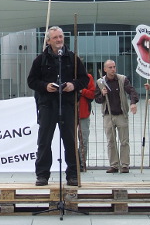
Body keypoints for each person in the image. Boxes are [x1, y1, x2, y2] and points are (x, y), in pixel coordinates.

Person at [27, 26, 89, 186]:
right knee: (44, 141)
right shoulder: (40, 60)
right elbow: (31, 81)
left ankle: (73, 174)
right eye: (55, 37)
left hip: (67, 105)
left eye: (61, 37)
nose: (59, 40)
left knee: (70, 140)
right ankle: (42, 175)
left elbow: (84, 79)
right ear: (48, 40)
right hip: (47, 105)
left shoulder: (72, 58)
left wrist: (73, 85)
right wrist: (45, 86)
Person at [95, 60, 139, 173]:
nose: (113, 69)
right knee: (111, 141)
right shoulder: (100, 82)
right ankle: (114, 165)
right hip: (108, 115)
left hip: (121, 114)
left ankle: (125, 165)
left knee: (124, 141)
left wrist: (133, 102)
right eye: (110, 67)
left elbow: (132, 91)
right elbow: (97, 100)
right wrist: (102, 95)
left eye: (114, 67)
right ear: (105, 69)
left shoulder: (122, 79)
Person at [78, 72, 95, 169]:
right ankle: (73, 162)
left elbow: (92, 94)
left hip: (84, 113)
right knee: (70, 139)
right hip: (69, 113)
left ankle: (82, 163)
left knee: (83, 139)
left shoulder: (88, 77)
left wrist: (82, 91)